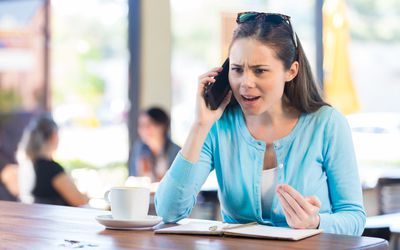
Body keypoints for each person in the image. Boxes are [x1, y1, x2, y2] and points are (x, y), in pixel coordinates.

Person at [155, 12, 365, 236]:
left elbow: (354, 218)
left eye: (259, 71)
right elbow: (169, 212)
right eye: (237, 69)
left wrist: (315, 222)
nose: (245, 83)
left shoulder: (327, 124)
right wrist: (200, 125)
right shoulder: (218, 125)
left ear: (291, 71)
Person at [22, 114, 88, 206]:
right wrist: (86, 196)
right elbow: (79, 201)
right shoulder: (53, 170)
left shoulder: (29, 166)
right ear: (54, 135)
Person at [129, 107, 180, 182]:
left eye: (148, 125)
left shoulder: (176, 152)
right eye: (141, 125)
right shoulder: (139, 148)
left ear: (161, 126)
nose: (143, 130)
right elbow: (133, 176)